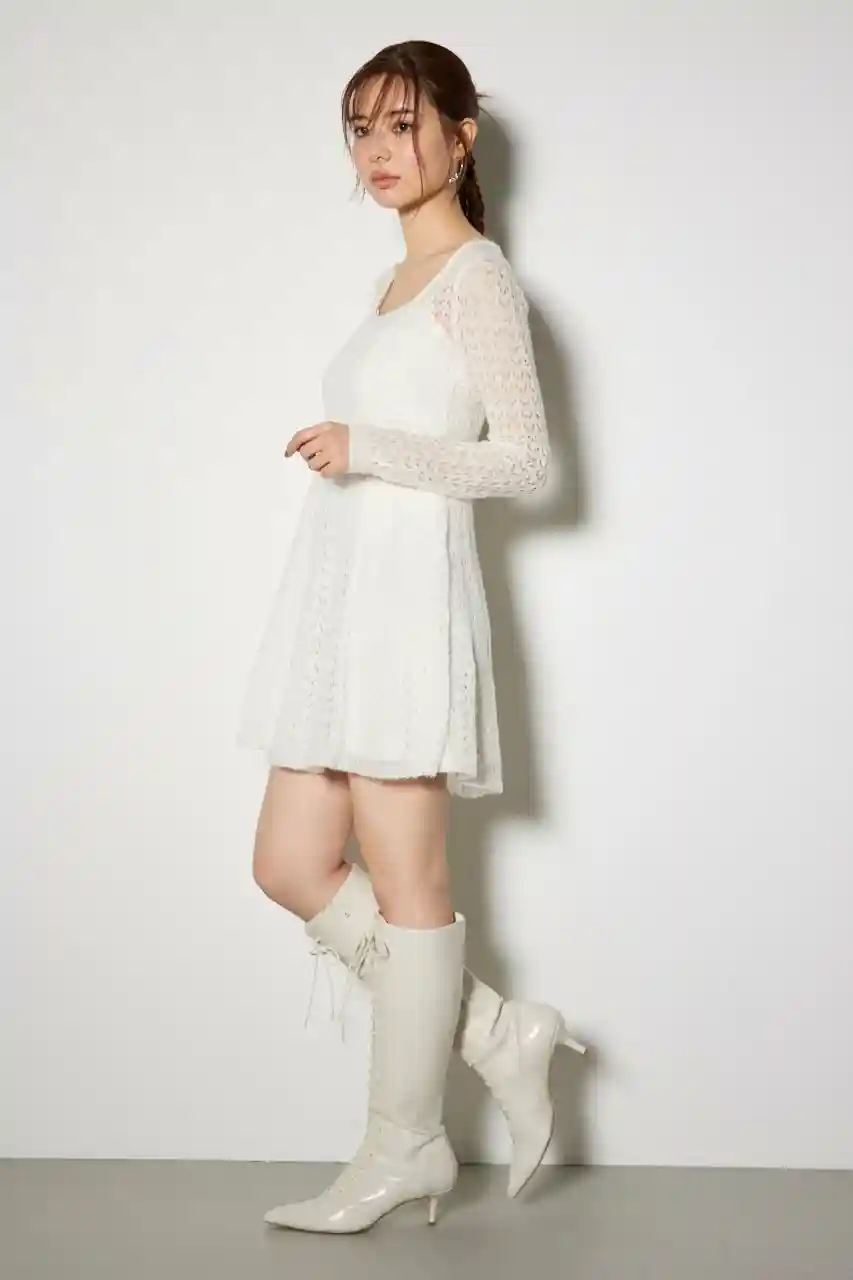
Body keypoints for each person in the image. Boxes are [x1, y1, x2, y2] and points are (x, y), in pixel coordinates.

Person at [236, 39, 587, 1234]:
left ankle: (403, 1145)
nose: (378, 151)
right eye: (360, 129)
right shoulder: (391, 284)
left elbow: (526, 461)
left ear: (458, 135)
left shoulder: (476, 277)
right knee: (288, 861)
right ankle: (493, 1030)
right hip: (340, 601)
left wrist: (368, 446)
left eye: (401, 124)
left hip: (404, 606)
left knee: (407, 884)